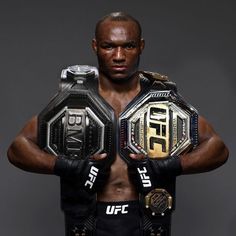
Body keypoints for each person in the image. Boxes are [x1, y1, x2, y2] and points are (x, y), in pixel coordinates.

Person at [7, 12, 229, 236]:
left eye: (129, 46)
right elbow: (18, 149)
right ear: (95, 46)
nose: (119, 56)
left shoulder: (161, 100)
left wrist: (167, 166)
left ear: (141, 46)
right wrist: (67, 167)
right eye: (109, 46)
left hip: (146, 220)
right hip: (88, 220)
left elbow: (217, 149)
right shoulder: (75, 101)